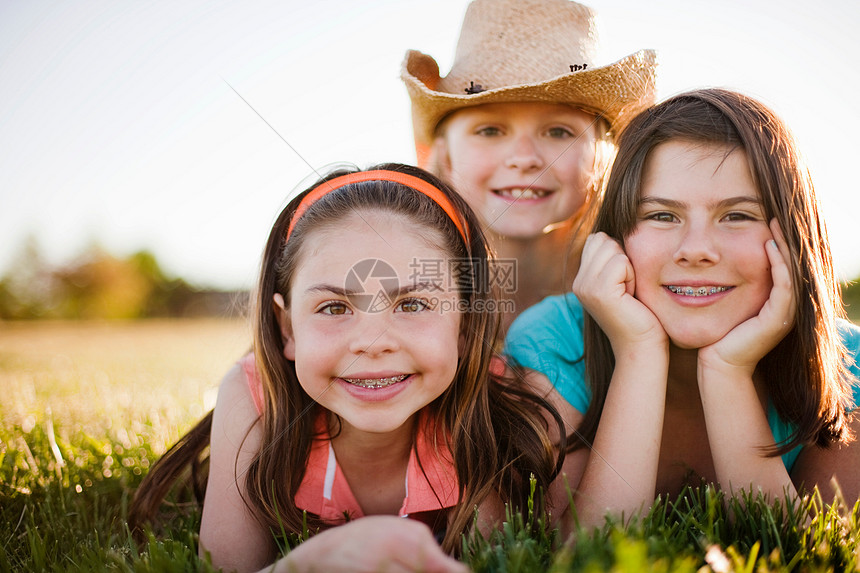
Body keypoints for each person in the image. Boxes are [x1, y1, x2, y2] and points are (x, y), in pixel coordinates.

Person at [129, 164, 571, 572]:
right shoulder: (253, 397)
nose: (372, 343)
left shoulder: (487, 407)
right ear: (288, 330)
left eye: (413, 303)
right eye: (334, 307)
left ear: (464, 325)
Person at [504, 89, 860, 527]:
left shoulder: (850, 366)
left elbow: (810, 553)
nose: (696, 251)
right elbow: (588, 549)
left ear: (794, 236)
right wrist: (638, 351)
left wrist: (727, 372)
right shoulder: (553, 341)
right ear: (613, 239)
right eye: (661, 216)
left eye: (737, 216)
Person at [402, 0, 657, 329]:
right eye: (490, 131)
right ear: (446, 156)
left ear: (602, 155)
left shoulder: (648, 297)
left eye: (557, 131)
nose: (524, 158)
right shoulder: (400, 297)